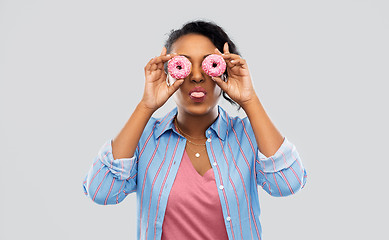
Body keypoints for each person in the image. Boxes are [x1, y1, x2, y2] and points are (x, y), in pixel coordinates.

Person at [83, 20, 308, 240]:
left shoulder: (248, 135)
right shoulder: (144, 139)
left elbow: (287, 183)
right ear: (169, 72)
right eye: (184, 65)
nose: (197, 76)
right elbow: (102, 191)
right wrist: (146, 106)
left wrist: (250, 100)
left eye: (209, 64)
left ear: (225, 71)